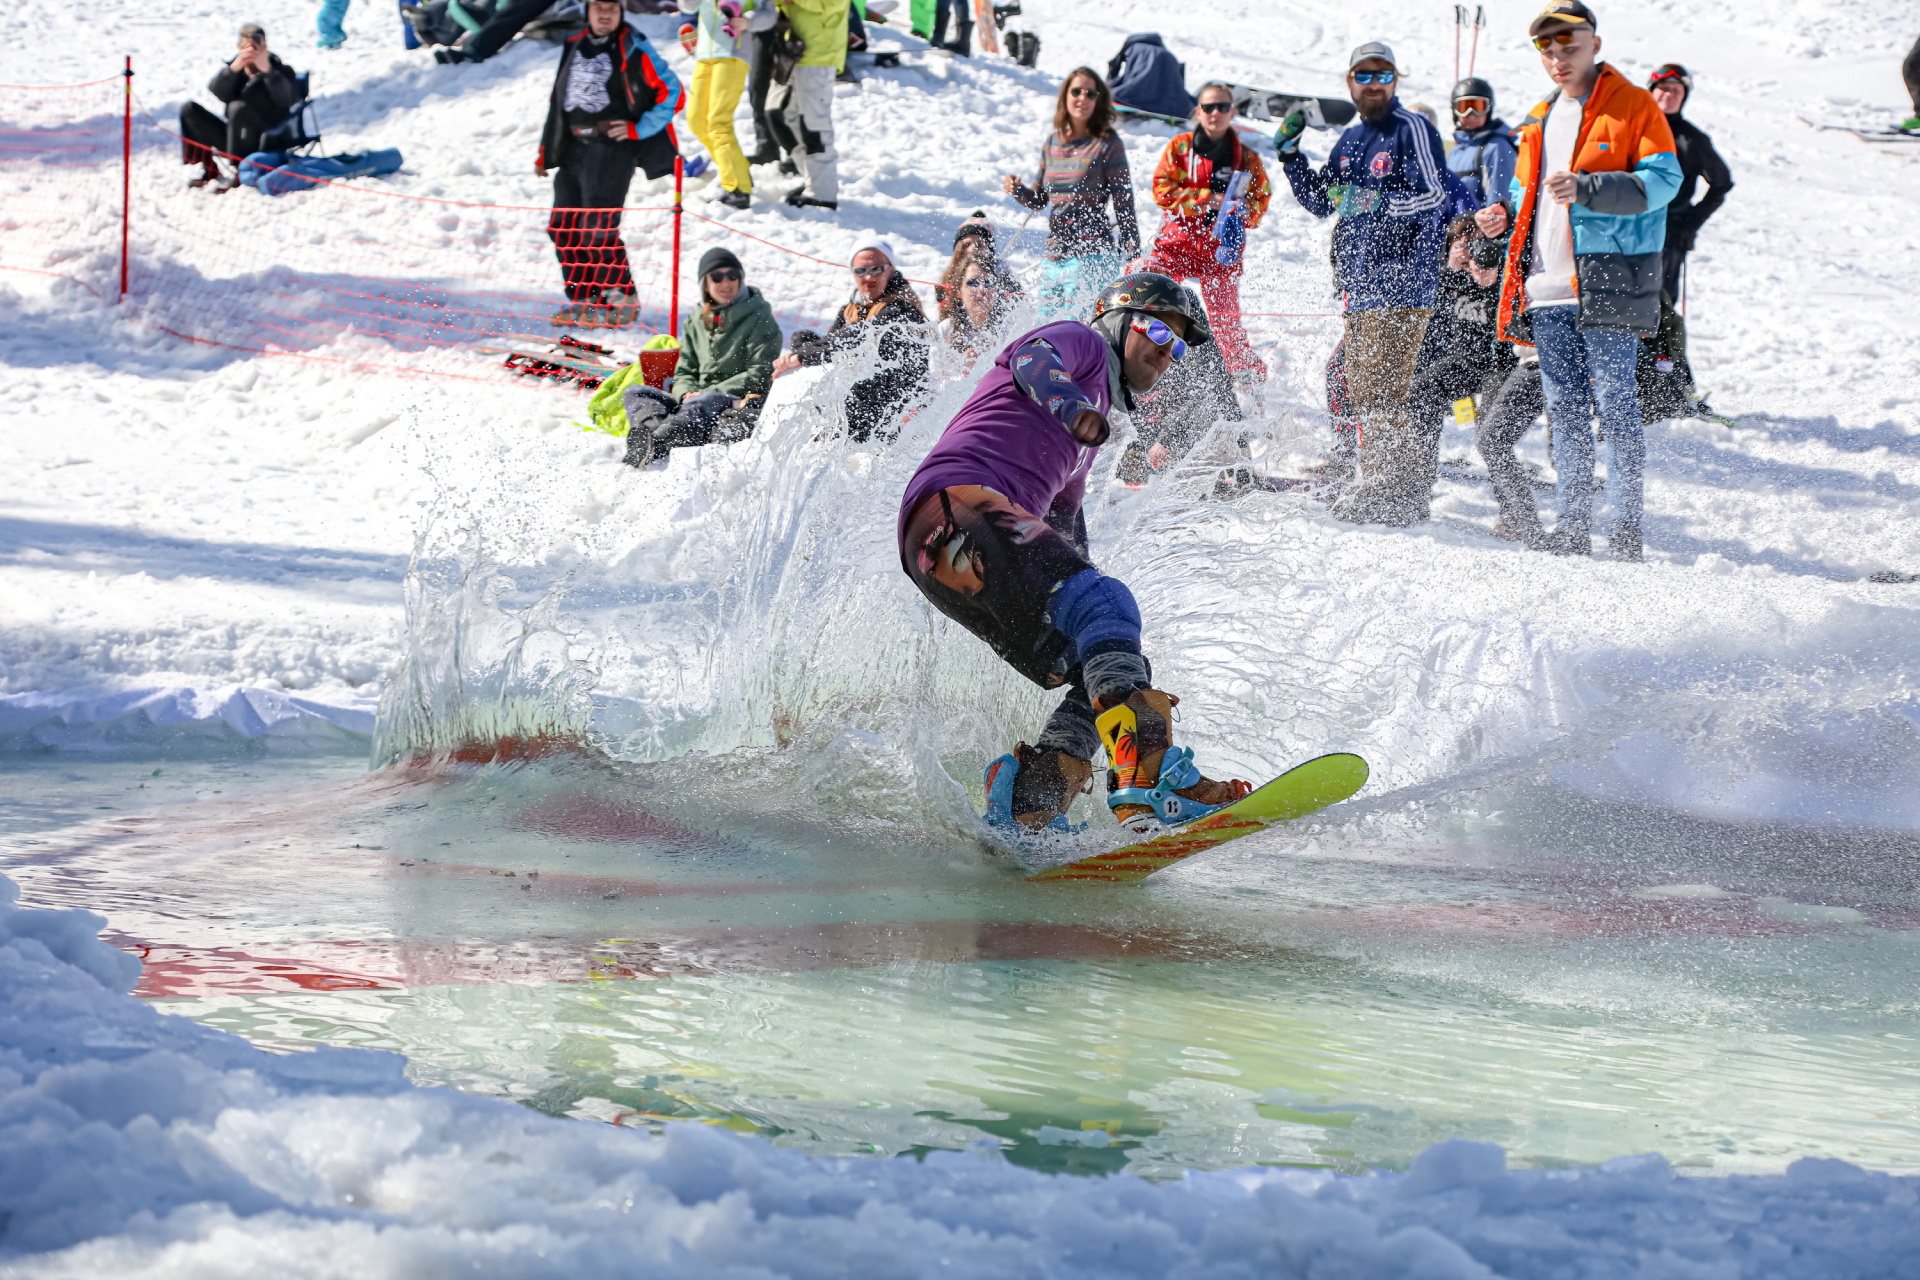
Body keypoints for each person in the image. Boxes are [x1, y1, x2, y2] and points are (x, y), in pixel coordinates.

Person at [897, 272, 1249, 839]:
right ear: (1118, 322)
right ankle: (1152, 773)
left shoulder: (1080, 454)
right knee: (1106, 607)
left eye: (1179, 344)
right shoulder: (1081, 344)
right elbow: (1033, 359)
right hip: (955, 504)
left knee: (1102, 663)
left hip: (942, 557)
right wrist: (1069, 406)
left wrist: (1101, 622)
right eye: (1157, 328)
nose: (1166, 349)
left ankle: (1031, 799)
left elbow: (1067, 545)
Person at [1474, 0, 1680, 562]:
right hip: (1545, 288)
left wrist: (1590, 189)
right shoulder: (1538, 117)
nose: (1560, 59)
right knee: (1563, 409)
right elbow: (1525, 195)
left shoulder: (1634, 105)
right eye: (1549, 50)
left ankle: (1626, 530)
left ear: (1594, 43)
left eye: (1570, 46)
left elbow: (1664, 181)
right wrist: (1500, 216)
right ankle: (1570, 526)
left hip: (1609, 277)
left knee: (1616, 406)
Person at [1276, 40, 1457, 526]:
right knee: (1365, 388)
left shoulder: (1411, 128)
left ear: (1395, 81)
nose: (1373, 84)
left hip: (1403, 280)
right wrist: (1291, 156)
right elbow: (1321, 202)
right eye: (1364, 76)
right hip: (1360, 285)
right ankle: (1396, 488)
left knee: (1383, 389)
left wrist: (1378, 203)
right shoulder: (1352, 139)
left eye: (1382, 76)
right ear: (1350, 83)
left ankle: (1392, 492)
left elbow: (1435, 194)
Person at [535, 0, 682, 328]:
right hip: (574, 147)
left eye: (611, 8)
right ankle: (585, 300)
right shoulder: (574, 44)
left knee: (597, 229)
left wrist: (638, 128)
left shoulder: (635, 47)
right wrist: (546, 150)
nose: (605, 14)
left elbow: (673, 92)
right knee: (562, 227)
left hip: (613, 150)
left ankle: (622, 299)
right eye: (598, 7)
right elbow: (559, 100)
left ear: (621, 12)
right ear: (587, 10)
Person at [1147, 82, 1272, 381]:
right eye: (1209, 107)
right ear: (1198, 111)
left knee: (1225, 326)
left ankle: (1247, 376)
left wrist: (1240, 211)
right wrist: (1207, 200)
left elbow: (1260, 203)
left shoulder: (1248, 158)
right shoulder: (1180, 146)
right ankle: (1148, 363)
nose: (1215, 113)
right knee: (1151, 300)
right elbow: (1162, 191)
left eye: (1222, 107)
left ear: (1233, 111)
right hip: (1176, 244)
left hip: (1220, 251)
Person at [1003, 69, 1140, 322]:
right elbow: (1040, 200)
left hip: (1092, 255)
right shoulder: (1052, 143)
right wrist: (1017, 190)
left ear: (1098, 101)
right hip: (1055, 255)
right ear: (1065, 96)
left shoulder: (1108, 143)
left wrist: (1132, 251)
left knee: (1076, 328)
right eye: (1076, 91)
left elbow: (1123, 200)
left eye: (1091, 93)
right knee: (1043, 327)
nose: (1083, 98)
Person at [624, 247, 784, 460]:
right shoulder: (695, 320)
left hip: (735, 399)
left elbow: (761, 373)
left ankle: (659, 444)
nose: (726, 283)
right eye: (717, 277)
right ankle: (652, 435)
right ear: (705, 284)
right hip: (696, 403)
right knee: (637, 393)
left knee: (705, 401)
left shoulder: (759, 317)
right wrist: (685, 393)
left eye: (732, 275)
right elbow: (685, 370)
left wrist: (708, 392)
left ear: (741, 279)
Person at [772, 237, 930, 440]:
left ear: (891, 269)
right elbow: (832, 346)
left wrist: (800, 357)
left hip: (893, 412)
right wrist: (801, 349)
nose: (868, 277)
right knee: (803, 337)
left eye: (877, 269)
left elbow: (859, 336)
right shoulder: (851, 309)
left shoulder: (903, 309)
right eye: (861, 271)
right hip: (858, 400)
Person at [1408, 217, 1514, 501]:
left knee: (1490, 434)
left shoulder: (1501, 271)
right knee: (1421, 391)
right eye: (1463, 244)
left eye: (1477, 244)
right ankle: (1420, 477)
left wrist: (1491, 275)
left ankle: (1511, 508)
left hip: (1503, 365)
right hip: (1466, 363)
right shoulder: (1449, 276)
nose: (1471, 251)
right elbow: (1429, 279)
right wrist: (1452, 263)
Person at [1118, 281, 1242, 486]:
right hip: (1161, 316)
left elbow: (1210, 392)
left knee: (1214, 382)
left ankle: (1240, 460)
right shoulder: (1123, 350)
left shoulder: (1186, 350)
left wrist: (1165, 442)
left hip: (1183, 316)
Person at [1644, 65, 1732, 303]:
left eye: (1676, 90)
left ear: (1684, 96)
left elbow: (1721, 183)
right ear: (1651, 92)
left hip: (1669, 233)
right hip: (1626, 227)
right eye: (1662, 88)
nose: (1668, 94)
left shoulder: (1692, 139)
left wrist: (1689, 224)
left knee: (1658, 305)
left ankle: (1659, 341)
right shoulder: (1632, 130)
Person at [178, 23, 303, 188]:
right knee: (189, 110)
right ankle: (209, 168)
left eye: (257, 47)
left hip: (269, 139)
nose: (252, 52)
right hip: (235, 138)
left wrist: (268, 71)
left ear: (265, 47)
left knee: (237, 108)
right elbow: (216, 91)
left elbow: (289, 99)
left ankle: (240, 172)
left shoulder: (280, 70)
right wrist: (233, 69)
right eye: (247, 47)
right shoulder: (236, 70)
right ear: (239, 47)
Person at [677, 0, 759, 209]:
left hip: (733, 54)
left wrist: (748, 21)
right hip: (704, 55)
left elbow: (768, 12)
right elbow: (688, 7)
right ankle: (736, 169)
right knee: (697, 121)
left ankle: (737, 188)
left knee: (717, 122)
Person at [774, 0, 848, 209]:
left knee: (814, 126)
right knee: (784, 115)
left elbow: (832, 4)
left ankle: (823, 193)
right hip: (794, 50)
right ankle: (812, 180)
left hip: (820, 54)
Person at [1446, 76, 1519, 207]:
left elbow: (1500, 200)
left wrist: (1491, 223)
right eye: (1464, 108)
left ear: (1489, 108)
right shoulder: (1456, 150)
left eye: (1478, 107)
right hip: (1455, 226)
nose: (1471, 115)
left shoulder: (1497, 148)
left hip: (1479, 225)